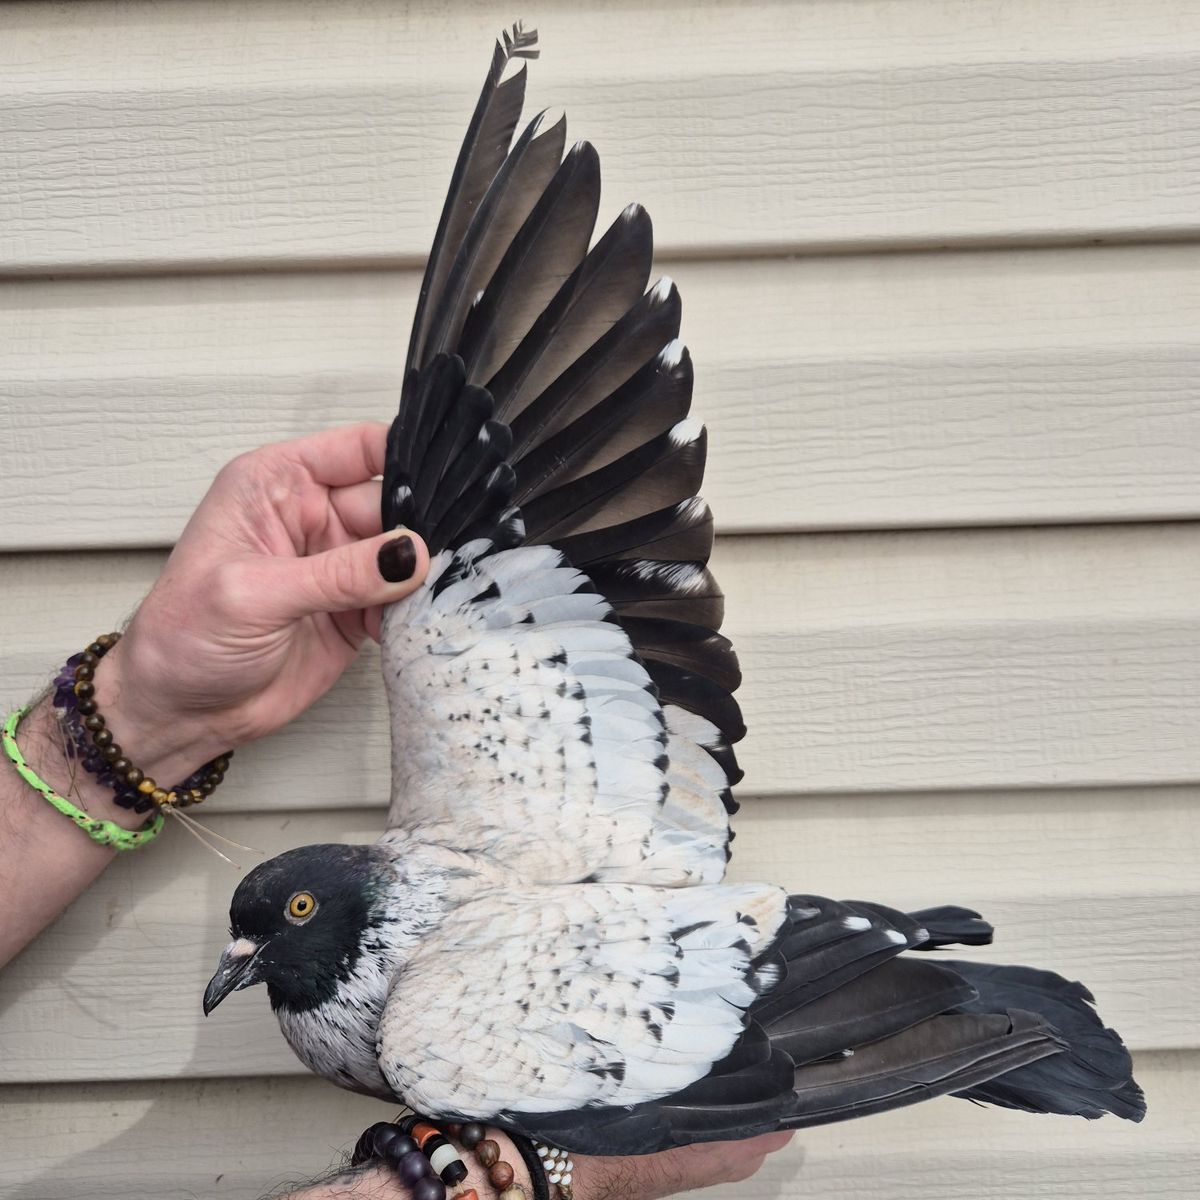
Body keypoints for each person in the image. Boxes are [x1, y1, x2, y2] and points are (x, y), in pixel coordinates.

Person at [0, 423, 794, 1200]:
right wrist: (497, 1178)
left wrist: (144, 705)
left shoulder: (426, 1021)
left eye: (297, 911)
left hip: (692, 953)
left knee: (441, 608)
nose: (242, 957)